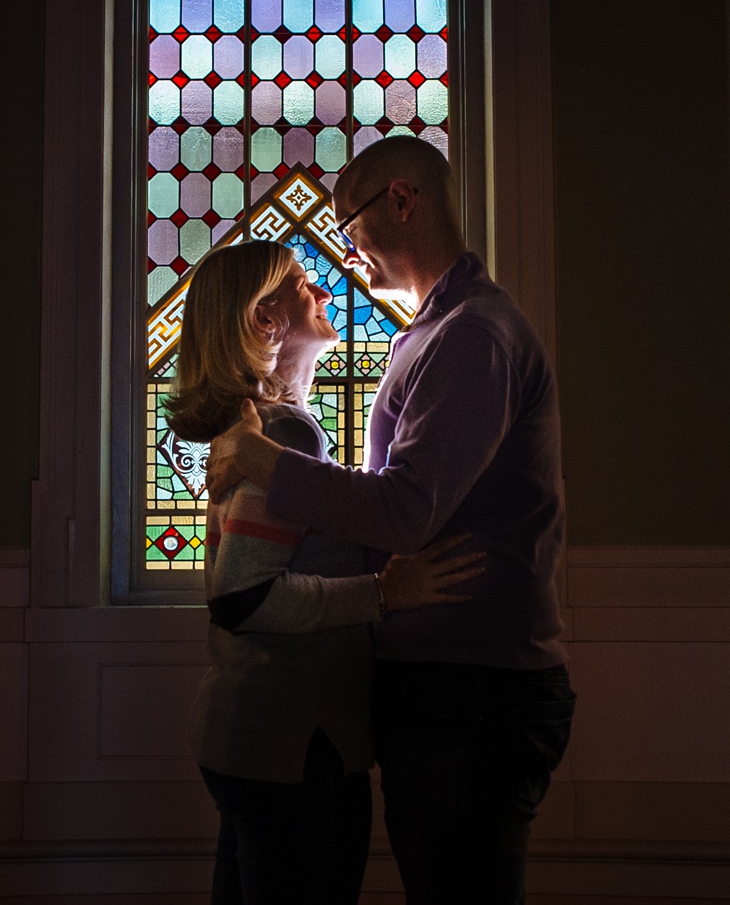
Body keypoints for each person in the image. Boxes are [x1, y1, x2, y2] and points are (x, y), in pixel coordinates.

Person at [208, 136, 571, 905]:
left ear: (402, 200)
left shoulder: (472, 334)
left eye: (349, 225)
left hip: (475, 696)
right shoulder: (434, 333)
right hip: (443, 695)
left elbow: (405, 510)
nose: (347, 253)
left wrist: (258, 458)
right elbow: (247, 590)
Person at [168, 237, 483, 905]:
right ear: (265, 319)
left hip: (257, 739)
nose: (321, 288)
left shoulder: (265, 430)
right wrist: (381, 595)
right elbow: (242, 599)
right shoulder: (284, 435)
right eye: (300, 282)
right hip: (292, 747)